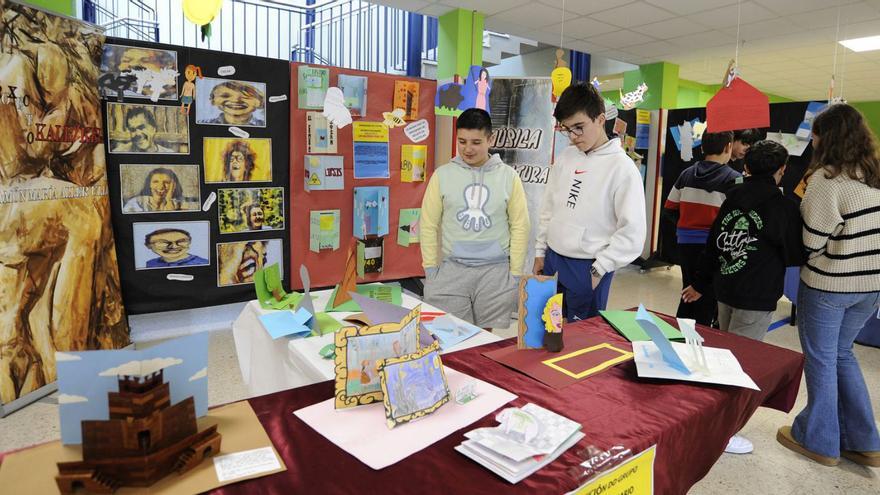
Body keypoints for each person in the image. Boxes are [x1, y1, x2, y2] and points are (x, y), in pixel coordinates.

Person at [682, 140, 805, 455]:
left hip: (725, 288)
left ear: (746, 167)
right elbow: (794, 253)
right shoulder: (784, 207)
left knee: (724, 354)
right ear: (781, 170)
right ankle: (723, 432)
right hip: (758, 296)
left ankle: (710, 419)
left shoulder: (733, 196)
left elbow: (713, 244)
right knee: (739, 365)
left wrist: (699, 283)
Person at [776, 104, 880, 468]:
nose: (812, 140)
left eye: (816, 134)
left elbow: (813, 241)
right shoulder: (873, 175)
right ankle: (865, 441)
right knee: (842, 354)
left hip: (830, 286)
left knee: (821, 360)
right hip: (871, 287)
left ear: (827, 138)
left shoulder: (827, 179)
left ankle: (819, 440)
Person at [533, 82, 646, 321]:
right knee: (546, 333)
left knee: (580, 344)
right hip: (553, 258)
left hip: (588, 266)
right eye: (566, 130)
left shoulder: (623, 168)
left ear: (600, 119)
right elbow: (548, 208)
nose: (573, 137)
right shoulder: (565, 158)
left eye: (579, 127)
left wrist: (600, 268)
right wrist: (540, 252)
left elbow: (633, 233)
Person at [420, 108, 530, 329]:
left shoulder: (509, 177)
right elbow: (428, 225)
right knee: (451, 335)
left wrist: (515, 273)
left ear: (491, 139)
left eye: (476, 142)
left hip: (495, 272)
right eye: (462, 141)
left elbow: (520, 226)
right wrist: (430, 269)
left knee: (485, 339)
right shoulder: (442, 175)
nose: (467, 149)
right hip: (453, 269)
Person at [665, 131, 741, 326]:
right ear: (728, 147)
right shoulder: (735, 179)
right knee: (709, 294)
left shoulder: (686, 174)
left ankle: (681, 332)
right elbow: (736, 218)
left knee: (689, 287)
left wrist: (686, 225)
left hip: (686, 243)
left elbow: (670, 208)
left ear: (702, 147)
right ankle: (701, 336)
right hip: (715, 247)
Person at [123, 167, 198, 212]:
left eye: (166, 182)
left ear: (173, 185)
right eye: (155, 182)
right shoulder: (136, 203)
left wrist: (168, 200)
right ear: (149, 184)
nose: (161, 186)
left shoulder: (180, 203)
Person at [144, 229, 208, 268]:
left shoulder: (202, 263)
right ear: (148, 245)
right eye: (163, 242)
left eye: (181, 241)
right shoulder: (151, 263)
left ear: (189, 243)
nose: (174, 246)